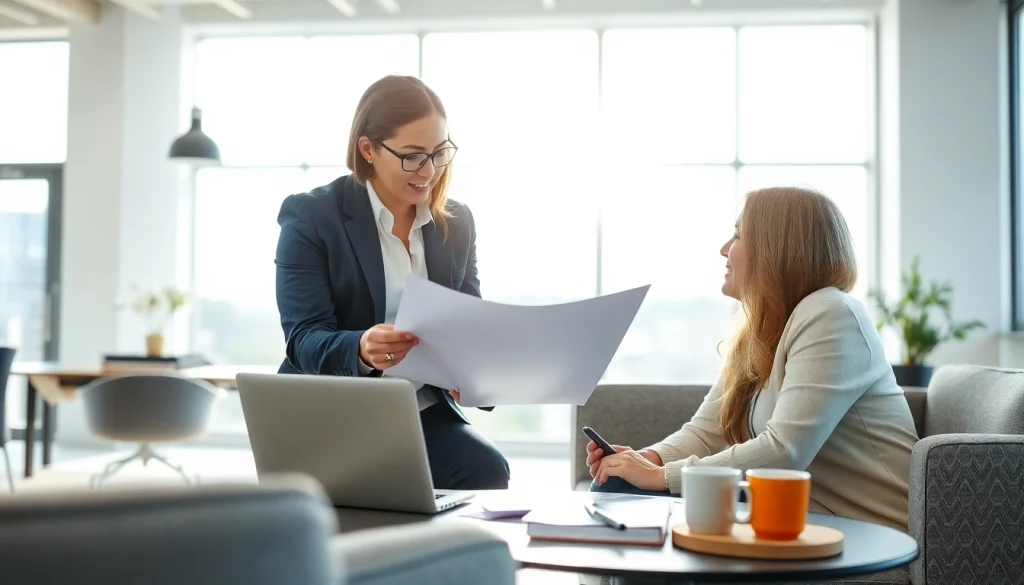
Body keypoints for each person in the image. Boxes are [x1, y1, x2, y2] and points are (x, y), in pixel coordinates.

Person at [587, 187, 919, 532]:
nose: (724, 250)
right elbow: (706, 432)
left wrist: (660, 476)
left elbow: (783, 452)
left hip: (865, 530)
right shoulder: (759, 331)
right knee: (615, 485)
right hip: (792, 518)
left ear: (776, 249)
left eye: (737, 235)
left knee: (638, 499)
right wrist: (643, 461)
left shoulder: (832, 313)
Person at [274, 75, 510, 490]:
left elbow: (469, 323)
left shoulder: (455, 224)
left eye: (440, 153)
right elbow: (304, 339)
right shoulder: (311, 216)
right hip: (332, 407)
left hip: (417, 406)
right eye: (413, 156)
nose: (430, 171)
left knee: (486, 470)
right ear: (368, 150)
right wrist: (362, 349)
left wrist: (477, 370)